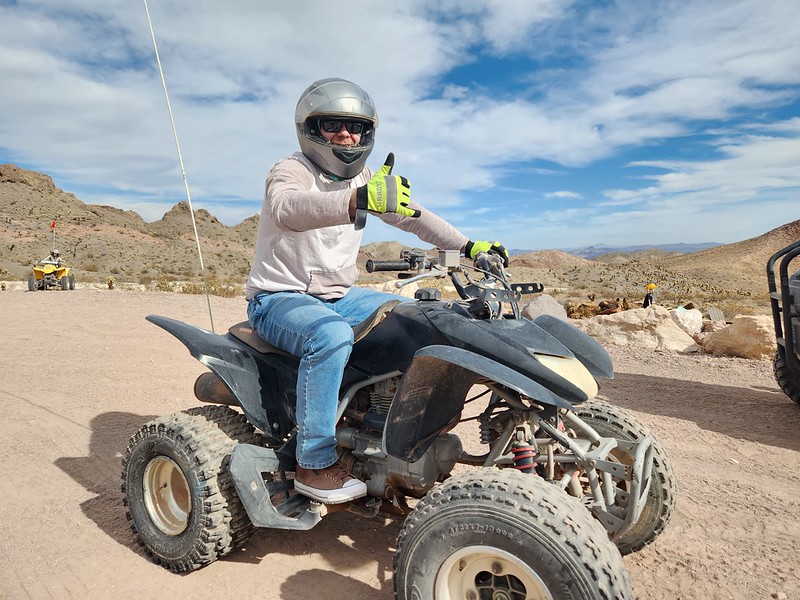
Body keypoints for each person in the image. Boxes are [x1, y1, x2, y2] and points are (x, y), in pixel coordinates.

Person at [246, 77, 508, 504]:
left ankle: (397, 428)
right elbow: (287, 209)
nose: (345, 135)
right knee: (330, 335)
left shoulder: (366, 177)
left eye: (356, 128)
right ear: (309, 129)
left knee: (424, 319)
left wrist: (468, 246)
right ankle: (313, 463)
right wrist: (357, 200)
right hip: (278, 298)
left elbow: (414, 216)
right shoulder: (292, 170)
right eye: (332, 125)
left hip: (339, 296)